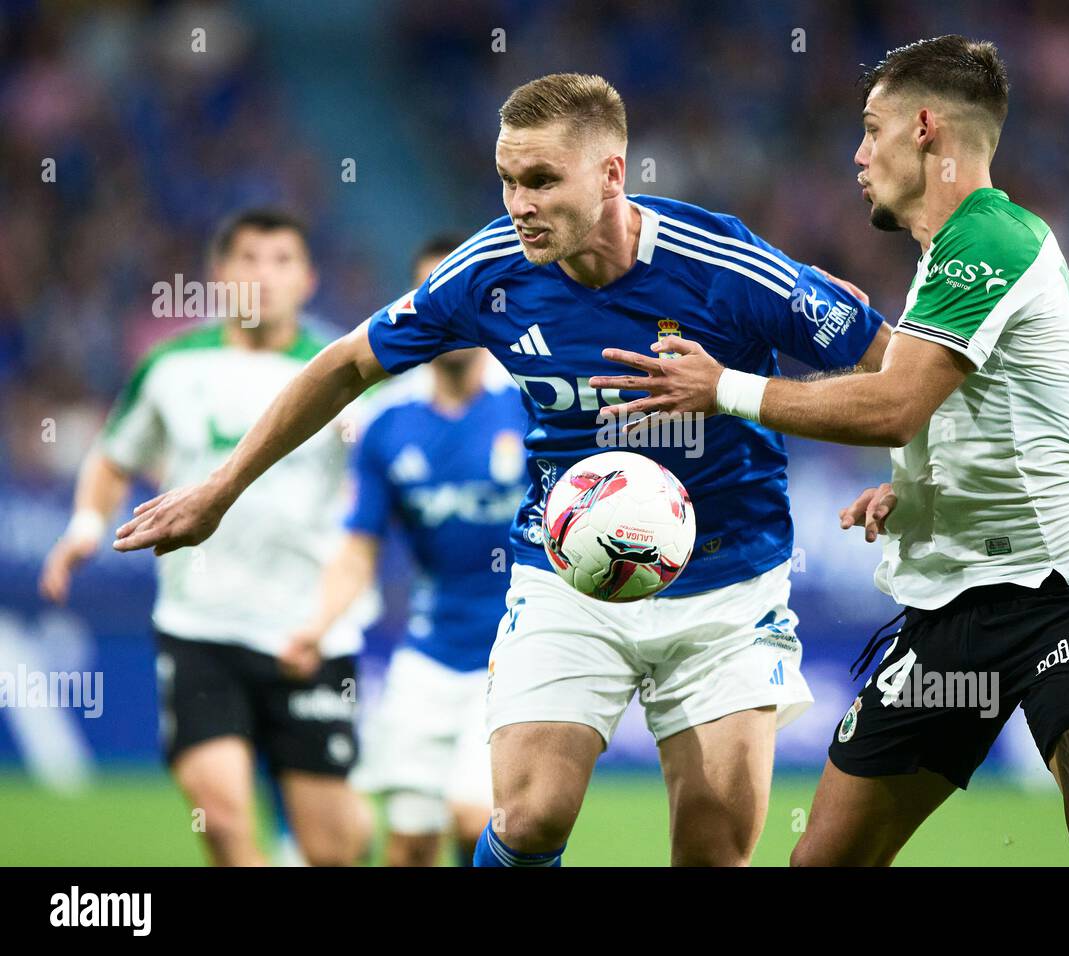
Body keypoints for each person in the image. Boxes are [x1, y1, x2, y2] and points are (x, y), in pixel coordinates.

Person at [110, 73, 890, 867]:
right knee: (528, 819)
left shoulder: (725, 265)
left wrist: (740, 394)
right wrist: (220, 490)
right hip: (565, 574)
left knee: (712, 848)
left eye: (543, 181)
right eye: (509, 180)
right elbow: (346, 365)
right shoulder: (491, 269)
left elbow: (898, 372)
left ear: (612, 174)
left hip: (727, 583)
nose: (520, 203)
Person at [590, 36, 1069, 866]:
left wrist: (724, 387)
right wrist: (922, 485)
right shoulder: (948, 258)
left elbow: (896, 405)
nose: (858, 155)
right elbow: (988, 403)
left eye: (872, 129)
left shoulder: (991, 240)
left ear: (927, 128)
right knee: (822, 860)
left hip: (1065, 597)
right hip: (951, 613)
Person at [41, 209, 374, 866]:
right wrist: (86, 524)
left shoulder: (345, 371)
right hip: (200, 626)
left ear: (307, 280)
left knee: (333, 848)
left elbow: (377, 485)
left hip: (307, 632)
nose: (263, 276)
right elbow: (115, 456)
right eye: (247, 259)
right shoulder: (170, 367)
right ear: (219, 275)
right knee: (221, 820)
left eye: (281, 261)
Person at [289, 236, 526, 866]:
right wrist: (316, 626)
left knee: (476, 818)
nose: (451, 314)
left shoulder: (531, 403)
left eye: (464, 298)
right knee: (411, 842)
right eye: (435, 299)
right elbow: (357, 550)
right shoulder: (385, 423)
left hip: (520, 653)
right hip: (427, 656)